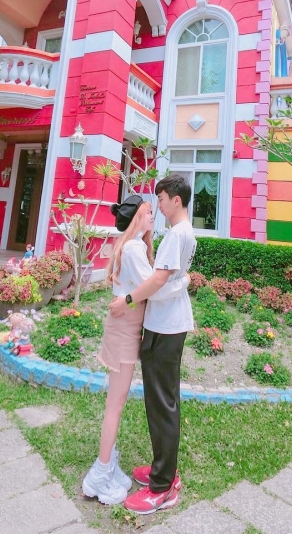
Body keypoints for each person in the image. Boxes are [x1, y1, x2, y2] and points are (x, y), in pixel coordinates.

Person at [82, 194, 188, 506]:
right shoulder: (132, 248)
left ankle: (107, 464)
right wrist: (184, 281)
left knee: (116, 403)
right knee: (115, 405)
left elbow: (143, 287)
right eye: (147, 212)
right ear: (136, 219)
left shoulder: (137, 247)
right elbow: (153, 289)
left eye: (153, 210)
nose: (153, 215)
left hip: (127, 329)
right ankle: (101, 473)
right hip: (124, 332)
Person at [109, 174, 196, 515]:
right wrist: (184, 281)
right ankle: (165, 470)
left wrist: (128, 299)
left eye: (160, 199)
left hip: (166, 326)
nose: (157, 206)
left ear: (176, 199)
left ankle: (162, 487)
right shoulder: (184, 232)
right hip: (167, 324)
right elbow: (169, 280)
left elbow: (157, 282)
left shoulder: (176, 234)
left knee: (162, 405)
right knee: (164, 402)